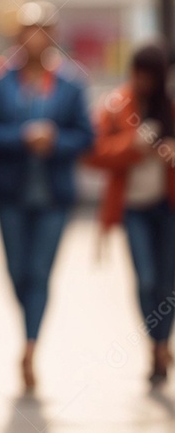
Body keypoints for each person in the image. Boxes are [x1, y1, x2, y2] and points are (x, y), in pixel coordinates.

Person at [0, 1, 94, 391]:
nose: (36, 38)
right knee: (16, 270)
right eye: (29, 30)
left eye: (43, 31)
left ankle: (31, 345)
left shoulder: (71, 82)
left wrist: (56, 140)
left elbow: (86, 136)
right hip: (10, 192)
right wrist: (22, 136)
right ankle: (26, 323)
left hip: (53, 195)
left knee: (40, 272)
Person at [86, 42, 175, 384]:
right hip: (132, 208)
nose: (143, 81)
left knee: (166, 283)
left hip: (167, 206)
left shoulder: (170, 106)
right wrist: (133, 145)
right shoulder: (116, 105)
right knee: (146, 279)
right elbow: (94, 152)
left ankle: (162, 343)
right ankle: (154, 344)